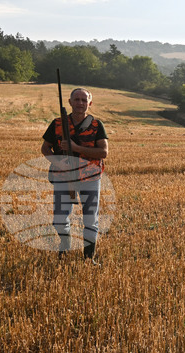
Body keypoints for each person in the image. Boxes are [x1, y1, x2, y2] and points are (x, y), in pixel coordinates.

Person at [40, 88, 108, 262]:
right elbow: (45, 148)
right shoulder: (57, 124)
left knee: (90, 220)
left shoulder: (96, 125)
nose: (80, 103)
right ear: (69, 102)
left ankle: (88, 258)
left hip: (90, 178)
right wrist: (57, 162)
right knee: (60, 219)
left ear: (89, 103)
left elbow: (103, 152)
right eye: (76, 99)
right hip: (64, 177)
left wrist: (76, 148)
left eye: (84, 100)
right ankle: (65, 248)